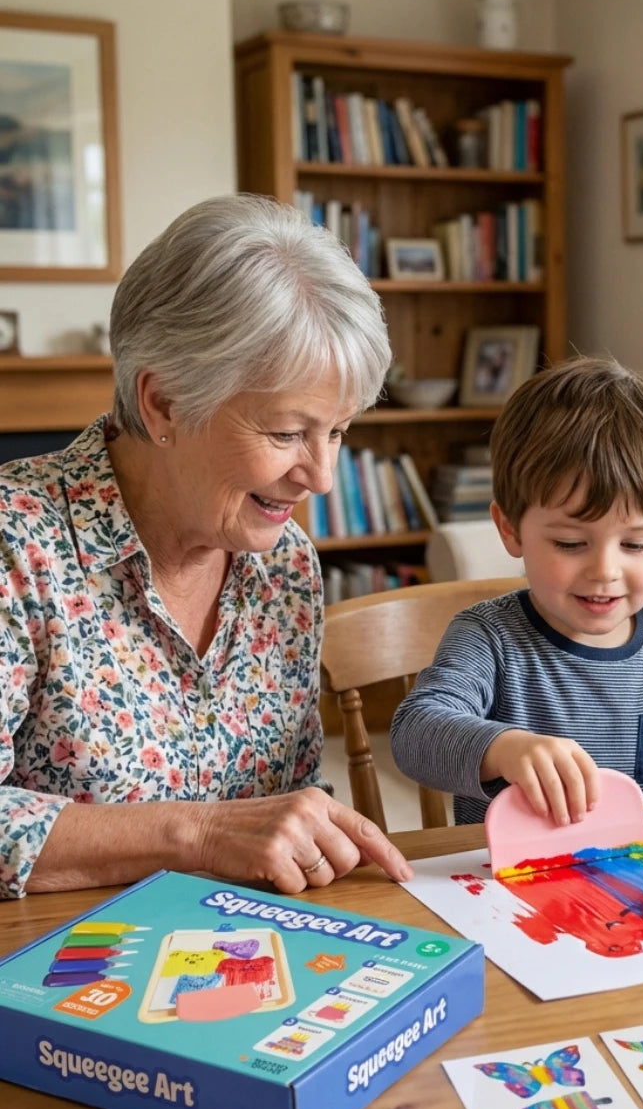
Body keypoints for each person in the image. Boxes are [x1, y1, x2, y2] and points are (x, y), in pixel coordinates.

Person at [0, 195, 412, 900]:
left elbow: (286, 808)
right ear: (163, 404)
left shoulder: (284, 565)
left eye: (339, 431)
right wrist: (200, 834)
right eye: (286, 434)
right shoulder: (18, 546)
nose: (320, 476)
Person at [390, 356, 643, 826]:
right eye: (570, 543)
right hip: (509, 882)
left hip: (640, 879)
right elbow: (416, 732)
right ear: (509, 529)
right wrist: (502, 747)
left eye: (636, 543)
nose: (605, 569)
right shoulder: (489, 638)